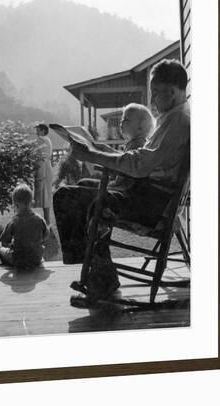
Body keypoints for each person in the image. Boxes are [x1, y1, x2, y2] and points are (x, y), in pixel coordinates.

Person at [53, 59, 190, 306]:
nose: (153, 101)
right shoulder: (174, 117)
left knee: (78, 199)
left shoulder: (178, 121)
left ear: (171, 91)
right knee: (77, 190)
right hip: (150, 195)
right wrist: (97, 152)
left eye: (156, 93)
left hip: (153, 203)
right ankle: (97, 275)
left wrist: (91, 155)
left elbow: (138, 164)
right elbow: (143, 158)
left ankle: (102, 283)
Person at [54, 103, 156, 263]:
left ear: (141, 128)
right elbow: (122, 159)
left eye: (127, 120)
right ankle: (90, 243)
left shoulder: (139, 145)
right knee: (83, 182)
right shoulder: (135, 144)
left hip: (124, 194)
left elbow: (127, 170)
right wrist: (105, 149)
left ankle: (81, 252)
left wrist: (103, 158)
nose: (122, 123)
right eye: (122, 119)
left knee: (63, 194)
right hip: (121, 189)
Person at [0, 184, 50, 269]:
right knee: (38, 251)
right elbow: (46, 235)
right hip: (36, 258)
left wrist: (12, 243)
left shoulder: (14, 221)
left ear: (15, 205)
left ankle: (9, 266)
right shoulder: (40, 219)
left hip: (18, 260)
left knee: (0, 250)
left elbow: (4, 240)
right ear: (32, 203)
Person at [33, 123, 53, 226]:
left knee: (44, 196)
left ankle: (46, 222)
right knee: (45, 197)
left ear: (43, 131)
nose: (36, 131)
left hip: (43, 170)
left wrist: (39, 174)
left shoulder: (42, 140)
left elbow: (41, 157)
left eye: (38, 129)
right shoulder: (47, 140)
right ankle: (46, 221)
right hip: (45, 169)